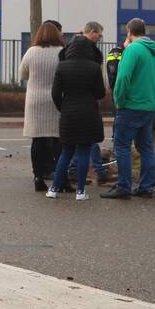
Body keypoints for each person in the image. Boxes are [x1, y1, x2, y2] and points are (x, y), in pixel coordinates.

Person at [102, 18, 155, 200]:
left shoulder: (133, 49)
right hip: (150, 106)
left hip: (131, 106)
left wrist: (119, 100)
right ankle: (146, 186)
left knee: (121, 146)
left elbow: (123, 77)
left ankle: (124, 186)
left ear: (129, 31)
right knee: (146, 147)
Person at [47, 34, 106, 200]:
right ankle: (80, 191)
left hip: (69, 113)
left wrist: (63, 107)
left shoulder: (62, 67)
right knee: (84, 152)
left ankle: (53, 189)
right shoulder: (94, 67)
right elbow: (100, 93)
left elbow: (55, 93)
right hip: (89, 113)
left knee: (66, 152)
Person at [20, 21, 65, 192]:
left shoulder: (31, 52)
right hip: (56, 100)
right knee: (58, 140)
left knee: (37, 141)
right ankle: (60, 178)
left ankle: (38, 176)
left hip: (35, 101)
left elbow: (23, 74)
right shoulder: (62, 53)